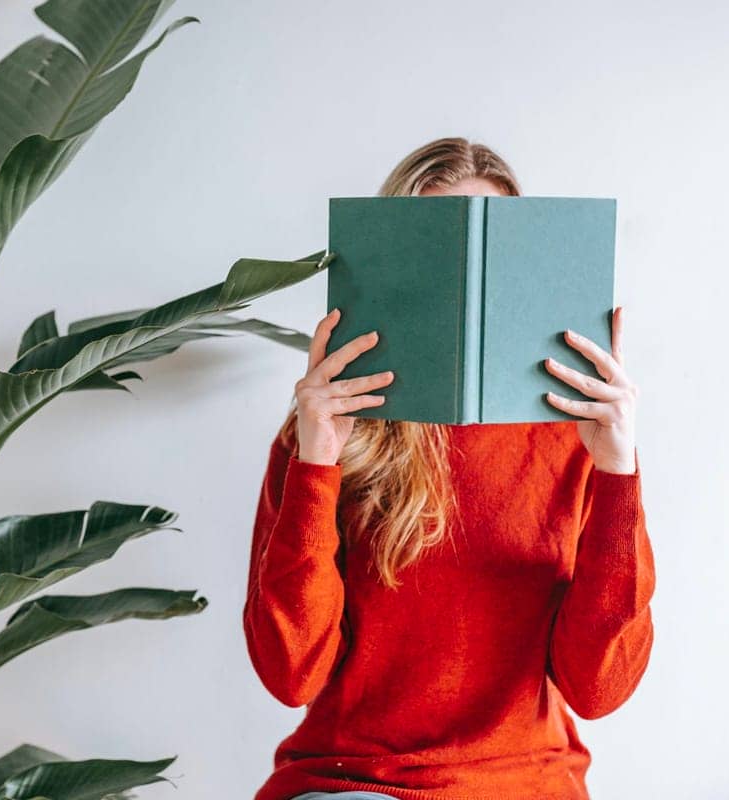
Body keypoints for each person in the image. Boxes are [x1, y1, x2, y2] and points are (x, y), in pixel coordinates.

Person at [243, 137, 654, 800]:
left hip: (524, 783)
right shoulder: (324, 436)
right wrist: (315, 460)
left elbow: (600, 689)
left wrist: (617, 470)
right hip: (355, 783)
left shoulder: (576, 442)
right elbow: (291, 675)